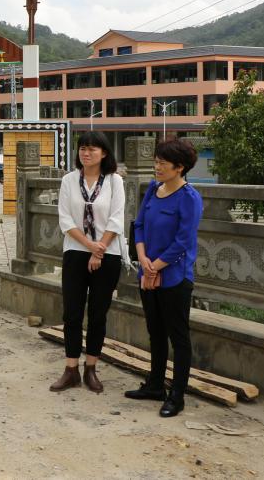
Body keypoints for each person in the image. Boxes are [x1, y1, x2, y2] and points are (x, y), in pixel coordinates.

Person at [125, 139, 202, 417]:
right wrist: (143, 259)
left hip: (174, 277)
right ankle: (155, 385)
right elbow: (139, 225)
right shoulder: (153, 190)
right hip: (147, 271)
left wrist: (155, 267)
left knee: (178, 337)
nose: (157, 167)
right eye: (156, 162)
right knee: (155, 331)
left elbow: (183, 241)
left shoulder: (189, 198)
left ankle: (177, 395)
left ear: (179, 167)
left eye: (162, 163)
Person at [50, 131, 125, 394]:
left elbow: (116, 218)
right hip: (76, 250)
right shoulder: (69, 180)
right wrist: (90, 246)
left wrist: (99, 250)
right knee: (72, 312)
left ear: (104, 153)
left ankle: (91, 367)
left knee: (97, 313)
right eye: (83, 148)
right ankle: (70, 369)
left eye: (92, 149)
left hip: (108, 253)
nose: (86, 153)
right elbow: (65, 219)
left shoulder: (114, 181)